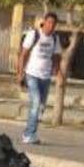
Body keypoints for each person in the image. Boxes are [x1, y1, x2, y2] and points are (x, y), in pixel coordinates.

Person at [17, 12, 64, 145]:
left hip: (45, 76)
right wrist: (20, 73)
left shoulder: (54, 38)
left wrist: (59, 74)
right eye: (49, 22)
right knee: (36, 103)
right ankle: (29, 134)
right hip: (32, 74)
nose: (51, 26)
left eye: (54, 24)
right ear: (44, 22)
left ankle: (29, 131)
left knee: (40, 106)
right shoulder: (34, 34)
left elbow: (56, 58)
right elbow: (23, 54)